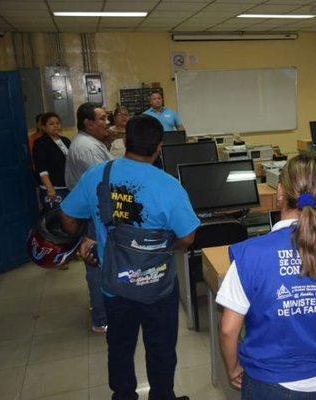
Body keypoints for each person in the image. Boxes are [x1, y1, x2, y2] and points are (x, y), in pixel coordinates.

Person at [217, 153, 316, 399]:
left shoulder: (250, 255)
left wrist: (232, 368)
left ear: (280, 192)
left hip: (270, 384)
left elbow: (228, 329)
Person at [60, 115, 199, 400]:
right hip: (158, 287)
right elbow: (187, 238)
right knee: (160, 347)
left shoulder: (99, 174)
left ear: (125, 142)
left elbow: (67, 217)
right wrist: (161, 246)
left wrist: (81, 242)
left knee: (120, 346)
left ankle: (123, 396)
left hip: (114, 284)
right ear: (159, 147)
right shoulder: (169, 185)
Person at [65, 102, 113, 333]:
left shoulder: (90, 143)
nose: (107, 123)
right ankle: (101, 318)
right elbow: (104, 184)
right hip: (94, 214)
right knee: (96, 263)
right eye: (102, 119)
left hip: (92, 211)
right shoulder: (88, 148)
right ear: (88, 123)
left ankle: (102, 311)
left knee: (98, 262)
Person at [32, 112, 70, 209]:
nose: (55, 126)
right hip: (52, 188)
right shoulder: (40, 143)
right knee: (55, 218)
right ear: (44, 127)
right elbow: (41, 168)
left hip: (67, 186)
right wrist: (50, 189)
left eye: (57, 123)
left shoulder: (66, 140)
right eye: (51, 124)